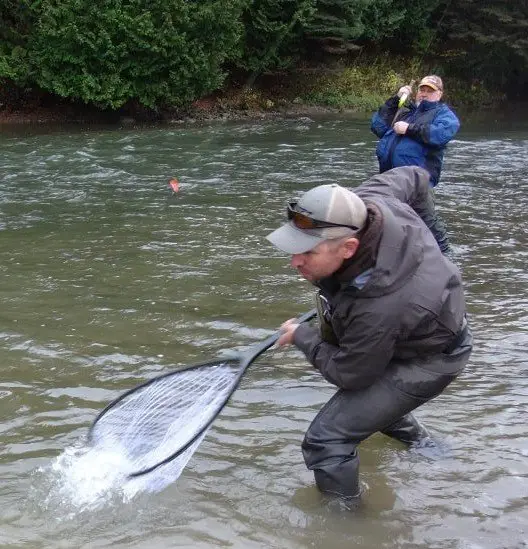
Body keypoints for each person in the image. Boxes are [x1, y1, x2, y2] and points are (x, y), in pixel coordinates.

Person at [265, 166, 473, 506]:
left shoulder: (380, 306)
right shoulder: (367, 203)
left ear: (348, 248)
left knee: (327, 439)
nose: (294, 261)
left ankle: (347, 531)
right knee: (368, 404)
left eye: (308, 253)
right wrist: (441, 245)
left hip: (433, 357)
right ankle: (432, 452)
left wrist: (303, 336)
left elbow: (352, 374)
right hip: (415, 327)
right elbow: (416, 176)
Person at [371, 75, 460, 187]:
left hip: (416, 185)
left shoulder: (443, 114)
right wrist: (396, 100)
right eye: (422, 90)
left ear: (439, 94)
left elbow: (439, 135)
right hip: (388, 179)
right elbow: (377, 126)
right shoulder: (405, 111)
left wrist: (409, 129)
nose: (424, 94)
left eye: (430, 91)